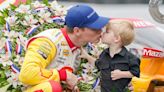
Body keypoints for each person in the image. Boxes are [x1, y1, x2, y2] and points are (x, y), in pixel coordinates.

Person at [19, 4, 109, 92]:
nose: (101, 32)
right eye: (95, 28)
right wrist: (64, 75)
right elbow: (26, 74)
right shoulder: (47, 42)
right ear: (77, 31)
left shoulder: (79, 48)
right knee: (53, 87)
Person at [80, 20, 140, 92]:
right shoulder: (104, 54)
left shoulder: (130, 58)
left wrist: (122, 74)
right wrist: (86, 56)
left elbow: (136, 72)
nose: (102, 33)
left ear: (116, 38)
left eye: (107, 32)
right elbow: (97, 64)